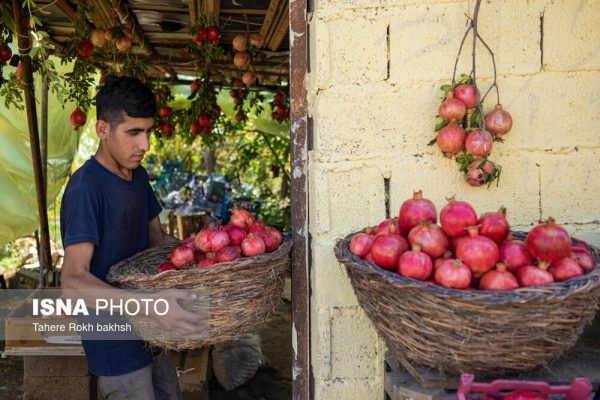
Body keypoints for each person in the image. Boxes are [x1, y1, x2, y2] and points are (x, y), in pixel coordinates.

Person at [60, 76, 202, 399]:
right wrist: (152, 305)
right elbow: (71, 281)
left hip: (152, 332)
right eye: (134, 132)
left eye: (148, 131)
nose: (146, 144)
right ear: (102, 130)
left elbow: (157, 241)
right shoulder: (85, 189)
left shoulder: (138, 177)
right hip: (116, 344)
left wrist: (202, 252)